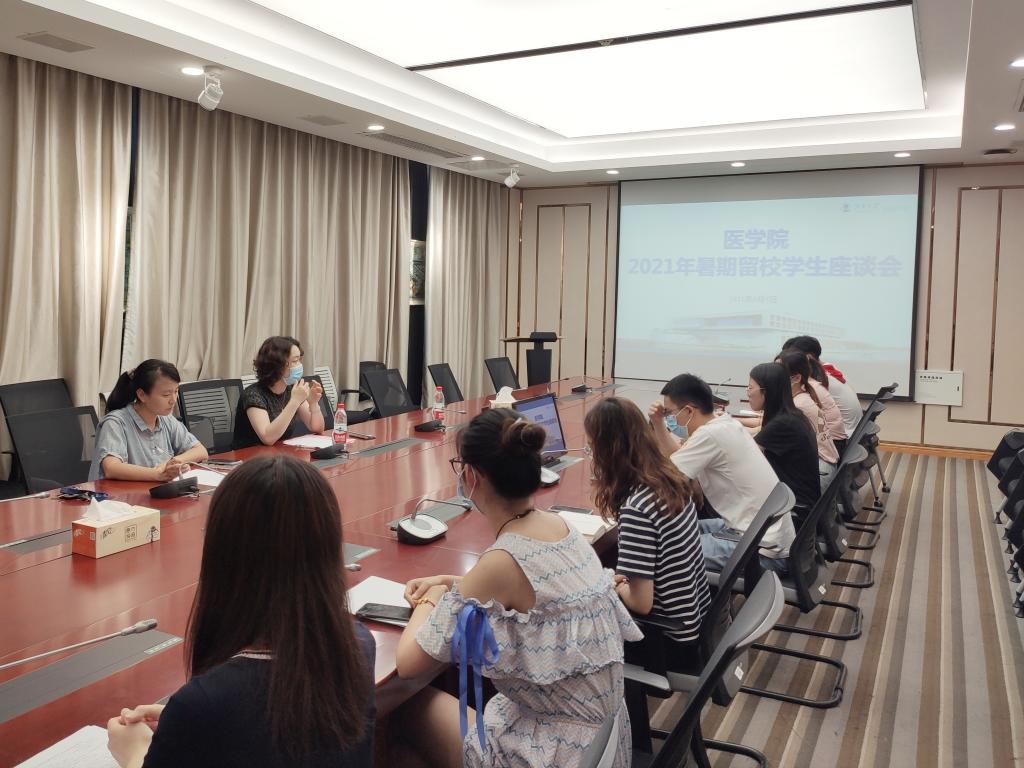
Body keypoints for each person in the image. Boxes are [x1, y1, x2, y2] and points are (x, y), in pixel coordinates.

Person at [394, 409, 641, 768]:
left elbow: (408, 664)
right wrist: (450, 583)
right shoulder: (560, 527)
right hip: (602, 741)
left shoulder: (503, 559)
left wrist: (430, 600)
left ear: (471, 475)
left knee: (405, 711)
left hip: (554, 753)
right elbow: (537, 598)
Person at [106, 455, 375, 768]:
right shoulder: (358, 645)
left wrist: (133, 752)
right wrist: (183, 726)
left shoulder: (205, 702)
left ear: (224, 552)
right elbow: (276, 730)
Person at [584, 397, 711, 667]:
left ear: (606, 451)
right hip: (696, 618)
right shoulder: (670, 477)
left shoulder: (637, 508)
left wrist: (617, 585)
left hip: (669, 640)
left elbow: (641, 604)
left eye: (592, 446)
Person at [649, 373, 795, 573]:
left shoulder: (709, 434)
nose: (669, 419)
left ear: (689, 410)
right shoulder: (725, 423)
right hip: (759, 534)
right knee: (674, 532)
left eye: (669, 413)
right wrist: (658, 423)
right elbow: (678, 461)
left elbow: (668, 478)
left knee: (663, 552)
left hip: (760, 550)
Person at [89, 359, 208, 481]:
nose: (173, 400)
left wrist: (174, 462)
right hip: (119, 492)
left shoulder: (166, 419)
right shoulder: (115, 423)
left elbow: (201, 451)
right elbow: (111, 468)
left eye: (176, 391)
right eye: (166, 395)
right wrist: (157, 474)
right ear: (142, 395)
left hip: (154, 490)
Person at [746, 363, 820, 521]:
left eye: (750, 388)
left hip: (795, 510)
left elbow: (745, 457)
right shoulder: (790, 416)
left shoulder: (783, 423)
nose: (748, 393)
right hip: (794, 500)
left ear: (767, 391)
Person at [232, 336, 324, 449]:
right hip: (249, 455)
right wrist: (294, 402)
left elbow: (317, 428)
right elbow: (267, 438)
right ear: (277, 365)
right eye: (295, 361)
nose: (299, 365)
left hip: (279, 452)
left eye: (299, 360)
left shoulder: (291, 389)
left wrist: (313, 404)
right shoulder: (253, 394)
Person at [775, 350, 840, 480]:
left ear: (796, 378)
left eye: (778, 373)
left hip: (820, 472)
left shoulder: (798, 406)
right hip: (824, 466)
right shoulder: (803, 396)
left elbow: (766, 432)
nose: (773, 376)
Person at [783, 335, 862, 437]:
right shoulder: (826, 368)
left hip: (842, 435)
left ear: (808, 357)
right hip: (853, 431)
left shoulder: (817, 380)